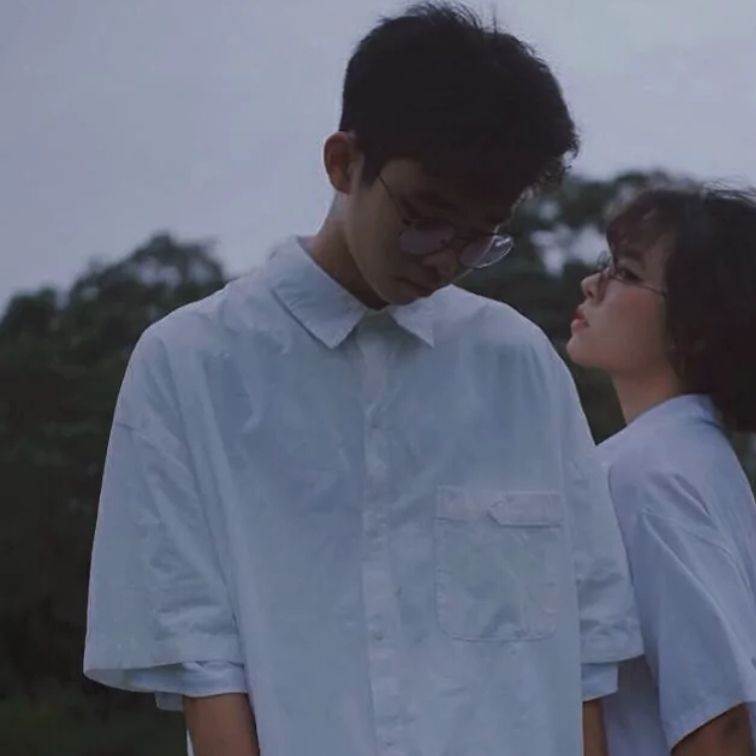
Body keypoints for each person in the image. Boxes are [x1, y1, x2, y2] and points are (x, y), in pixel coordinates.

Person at [84, 4, 641, 755]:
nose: (443, 258)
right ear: (344, 163)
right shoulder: (191, 365)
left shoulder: (519, 368)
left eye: (479, 236)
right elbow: (202, 660)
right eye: (425, 218)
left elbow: (586, 652)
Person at [567, 185, 756, 755]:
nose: (592, 284)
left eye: (624, 273)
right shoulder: (697, 460)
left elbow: (717, 724)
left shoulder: (649, 475)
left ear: (695, 328)